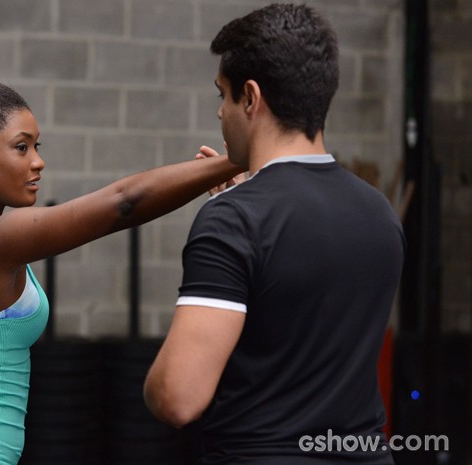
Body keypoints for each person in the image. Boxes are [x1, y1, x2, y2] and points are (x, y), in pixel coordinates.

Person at [0, 55, 243, 465]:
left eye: (37, 146)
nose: (38, 161)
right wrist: (239, 158)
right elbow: (122, 204)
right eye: (21, 147)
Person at [143, 4, 405, 464]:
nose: (220, 113)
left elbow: (177, 398)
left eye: (222, 96)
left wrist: (234, 218)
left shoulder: (234, 221)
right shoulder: (380, 213)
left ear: (251, 97)